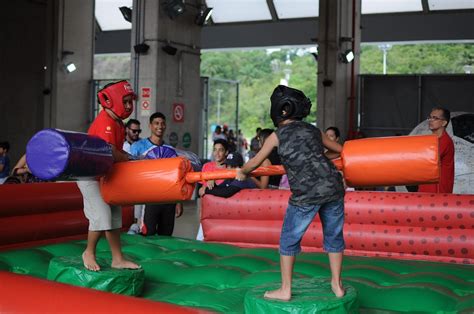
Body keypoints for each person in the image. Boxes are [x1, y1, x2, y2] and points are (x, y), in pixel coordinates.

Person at [237, 85, 345, 300]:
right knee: (333, 236)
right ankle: (337, 284)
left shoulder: (277, 136)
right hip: (333, 187)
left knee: (289, 240)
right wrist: (318, 156)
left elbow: (256, 162)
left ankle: (285, 289)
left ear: (280, 110)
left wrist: (242, 172)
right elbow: (340, 151)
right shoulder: (313, 130)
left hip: (306, 194)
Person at [77, 80, 140, 271]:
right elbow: (111, 152)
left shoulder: (118, 123)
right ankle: (89, 252)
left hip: (104, 175)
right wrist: (132, 160)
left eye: (131, 102)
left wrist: (132, 159)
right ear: (110, 101)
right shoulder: (105, 121)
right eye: (125, 101)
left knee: (114, 216)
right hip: (89, 176)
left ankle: (117, 258)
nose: (129, 106)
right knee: (102, 215)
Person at [130, 112, 183, 236]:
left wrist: (178, 201)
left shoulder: (170, 150)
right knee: (147, 234)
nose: (160, 126)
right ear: (150, 126)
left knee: (166, 235)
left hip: (168, 200)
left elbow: (175, 177)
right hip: (148, 198)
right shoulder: (138, 147)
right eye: (156, 123)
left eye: (162, 123)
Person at [418, 106, 455, 193]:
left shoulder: (445, 141)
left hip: (438, 191)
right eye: (430, 117)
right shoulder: (432, 140)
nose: (430, 120)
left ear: (444, 123)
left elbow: (428, 159)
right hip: (426, 189)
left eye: (435, 118)